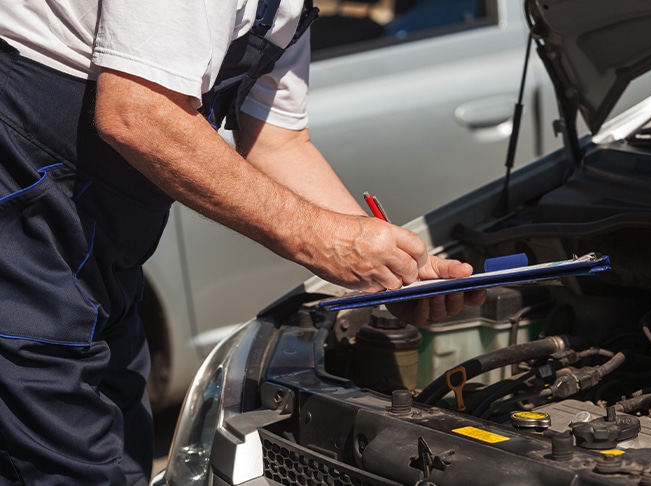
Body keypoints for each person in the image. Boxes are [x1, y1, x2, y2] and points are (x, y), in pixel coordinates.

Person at [0, 0, 483, 484]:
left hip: (99, 272)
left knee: (124, 455)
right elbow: (139, 113)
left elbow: (278, 140)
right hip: (27, 243)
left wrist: (394, 272)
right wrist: (319, 238)